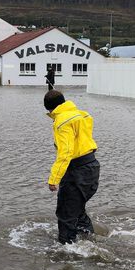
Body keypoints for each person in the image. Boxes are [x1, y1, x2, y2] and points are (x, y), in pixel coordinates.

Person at [44, 90, 100, 244]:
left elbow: (65, 153)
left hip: (77, 171)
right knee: (78, 209)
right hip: (92, 167)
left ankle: (66, 251)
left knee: (66, 214)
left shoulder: (61, 121)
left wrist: (53, 179)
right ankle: (89, 241)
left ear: (50, 109)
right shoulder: (82, 115)